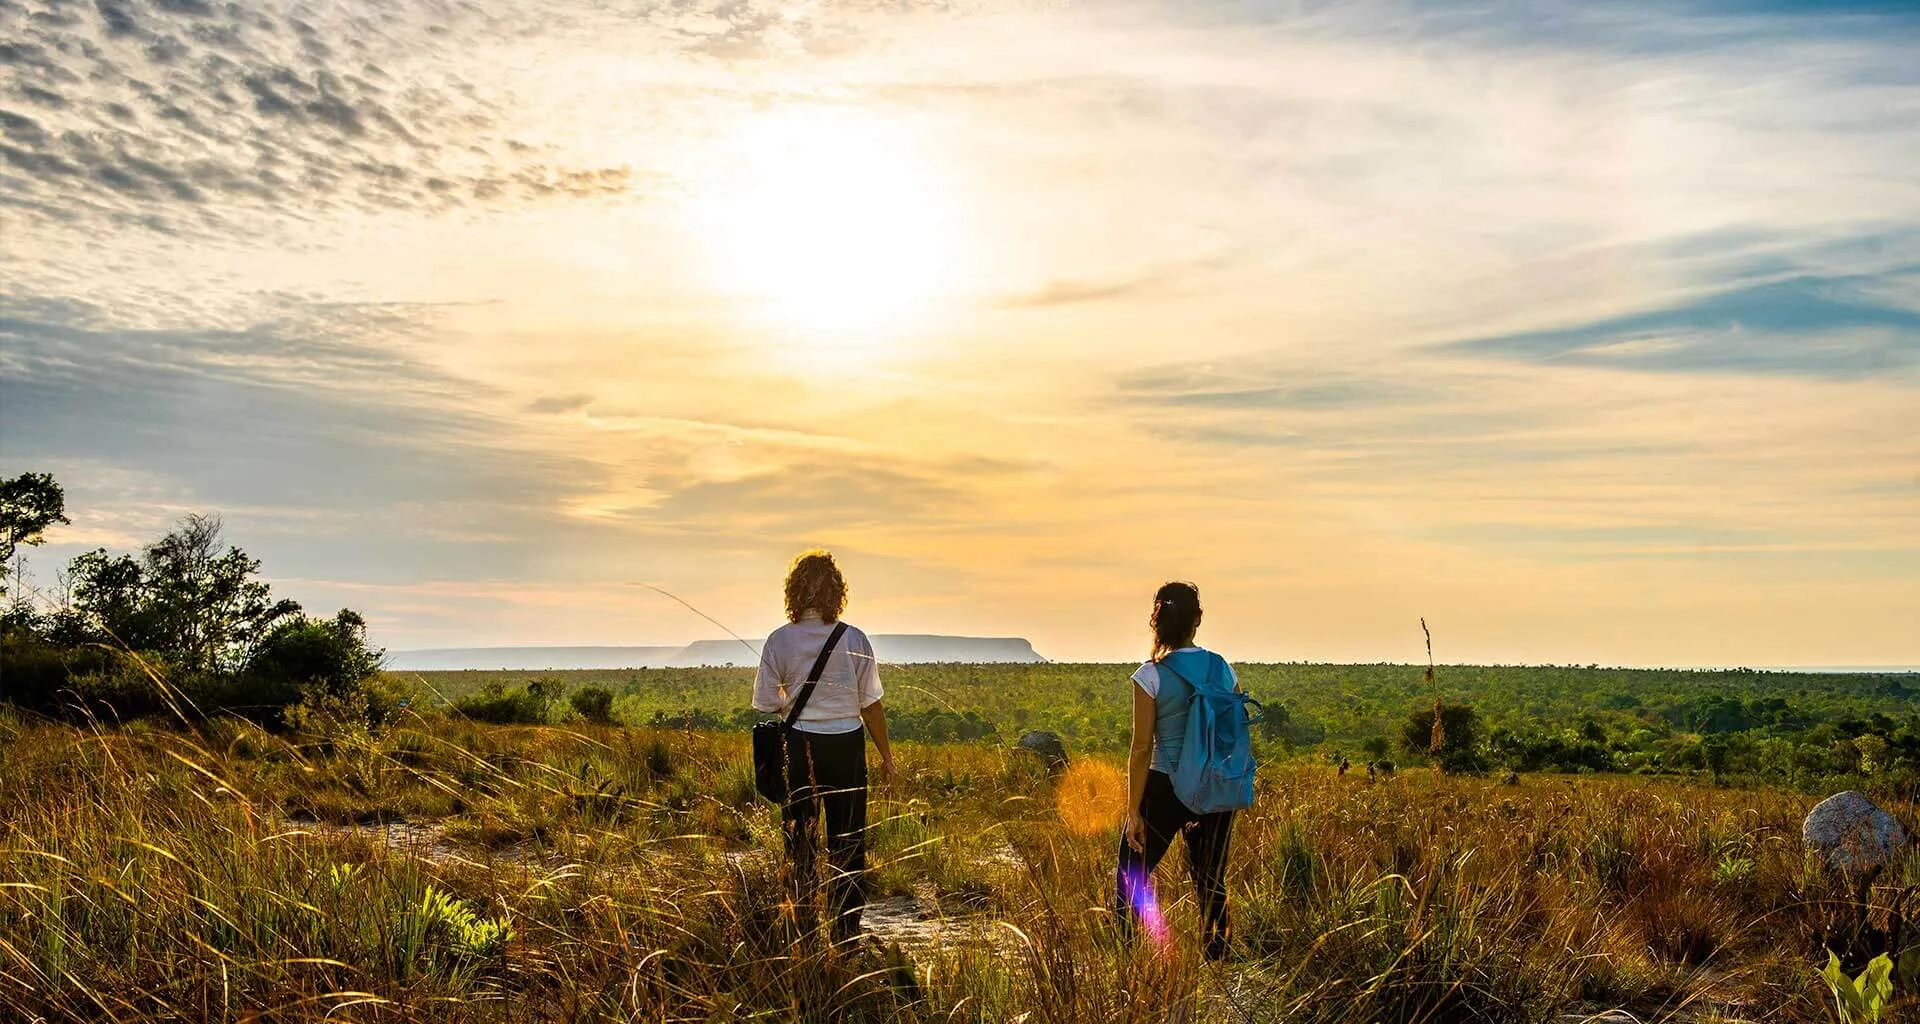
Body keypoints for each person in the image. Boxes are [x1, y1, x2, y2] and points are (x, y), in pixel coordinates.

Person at [751, 549, 894, 944]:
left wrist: (795, 703)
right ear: (837, 591)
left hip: (796, 747)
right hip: (846, 746)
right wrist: (887, 758)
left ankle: (803, 929)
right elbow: (872, 705)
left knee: (799, 840)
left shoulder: (778, 641)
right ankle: (846, 932)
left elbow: (765, 703)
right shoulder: (855, 638)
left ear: (794, 592)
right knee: (848, 841)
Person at [1115, 580, 1240, 961]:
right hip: (1214, 787)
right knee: (1210, 878)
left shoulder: (1149, 675)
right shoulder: (1223, 668)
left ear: (1157, 620)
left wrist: (1134, 809)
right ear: (1197, 620)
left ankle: (1128, 955)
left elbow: (1141, 747)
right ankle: (1218, 961)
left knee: (1130, 875)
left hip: (1164, 784)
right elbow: (1230, 733)